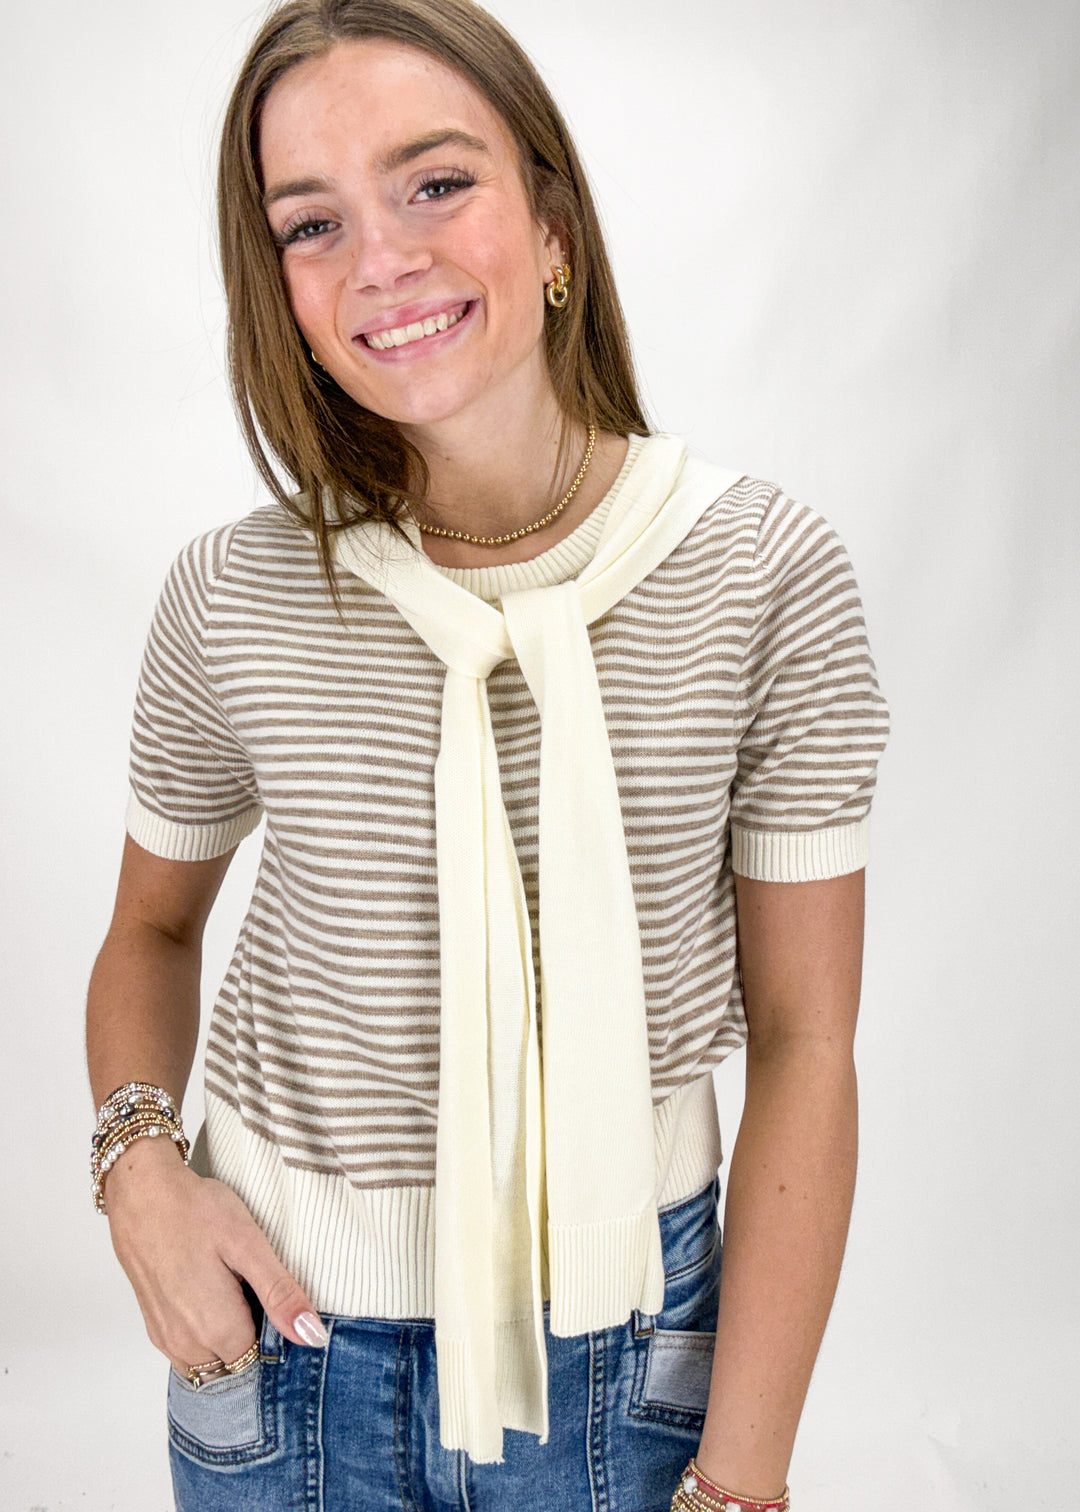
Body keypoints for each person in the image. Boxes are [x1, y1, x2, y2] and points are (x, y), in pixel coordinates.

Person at [85, 2, 890, 1508]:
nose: (380, 258)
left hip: (631, 1356)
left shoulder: (763, 573)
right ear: (281, 291)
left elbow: (806, 1046)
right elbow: (149, 929)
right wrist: (140, 1176)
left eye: (435, 182)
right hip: (279, 1351)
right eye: (309, 222)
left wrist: (749, 1472)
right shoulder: (231, 594)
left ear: (555, 224)